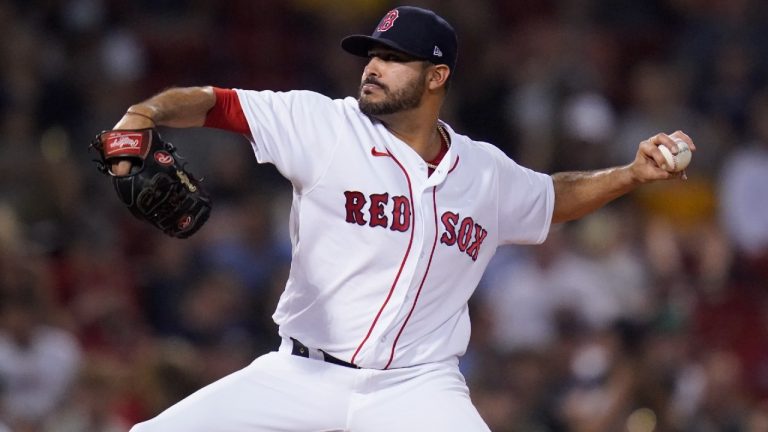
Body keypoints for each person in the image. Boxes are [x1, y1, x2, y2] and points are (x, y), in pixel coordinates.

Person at [108, 6, 695, 432]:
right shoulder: (325, 125)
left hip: (416, 389)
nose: (373, 68)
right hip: (301, 375)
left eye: (393, 59)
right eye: (372, 56)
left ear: (436, 76)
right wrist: (143, 112)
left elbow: (550, 197)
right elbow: (217, 102)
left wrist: (630, 174)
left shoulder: (484, 172)